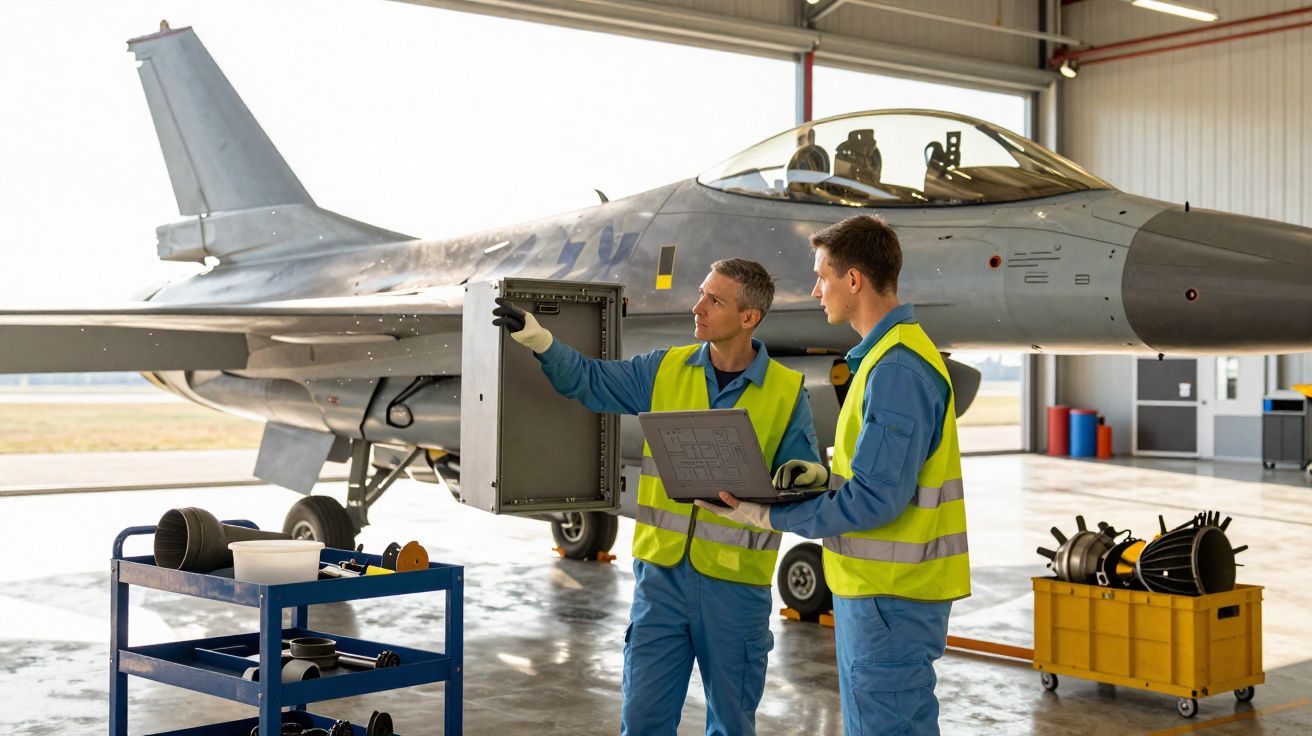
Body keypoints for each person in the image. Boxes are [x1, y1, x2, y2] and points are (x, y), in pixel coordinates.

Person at [492, 258, 824, 736]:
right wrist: (540, 340)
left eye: (714, 299)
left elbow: (802, 474)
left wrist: (804, 473)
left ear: (748, 318)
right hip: (661, 583)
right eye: (702, 293)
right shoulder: (665, 369)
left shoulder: (785, 391)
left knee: (732, 724)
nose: (698, 306)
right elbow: (590, 381)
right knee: (643, 720)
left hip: (735, 590)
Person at [697, 215, 970, 736]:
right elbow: (874, 480)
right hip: (880, 594)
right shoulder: (885, 359)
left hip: (890, 597)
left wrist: (764, 512)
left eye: (822, 276)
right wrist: (818, 478)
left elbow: (875, 501)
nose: (815, 289)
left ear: (853, 281)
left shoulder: (896, 369)